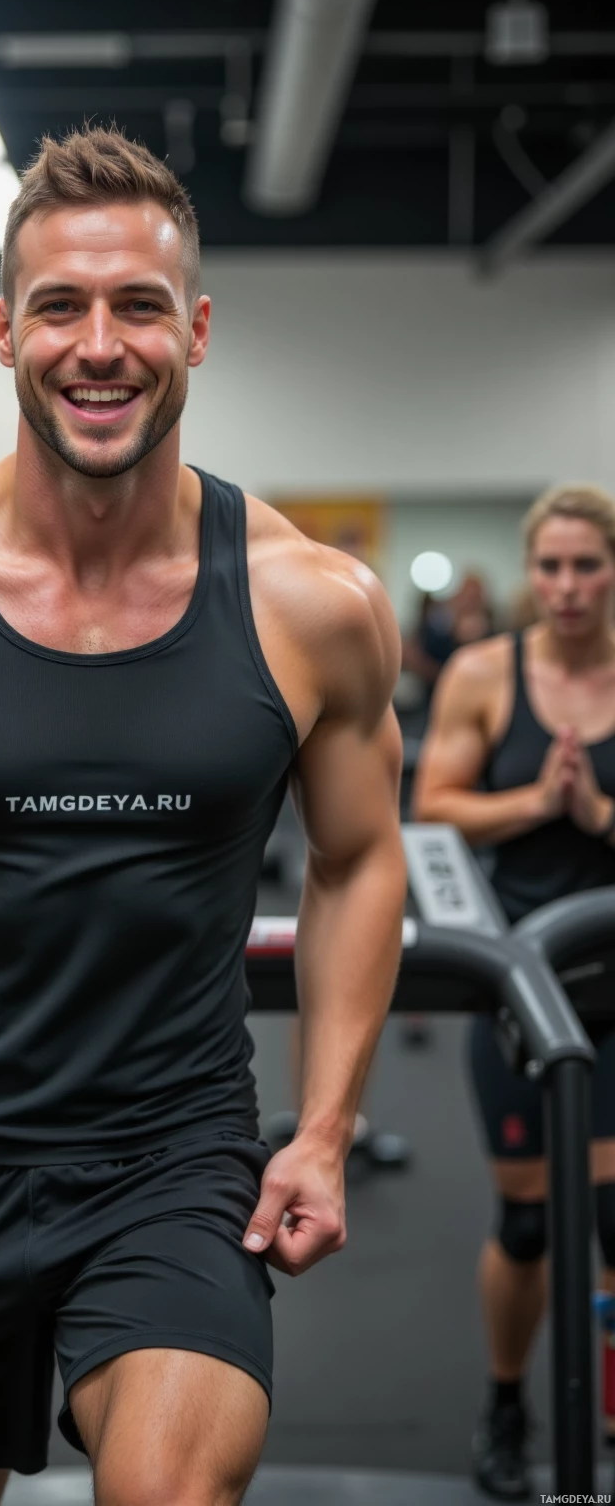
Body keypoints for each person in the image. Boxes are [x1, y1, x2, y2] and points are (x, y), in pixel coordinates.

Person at [0, 124, 407, 1506]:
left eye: (139, 306)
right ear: (4, 330)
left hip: (176, 1160)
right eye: (61, 307)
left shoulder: (313, 605)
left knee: (165, 1492)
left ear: (197, 328)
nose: (100, 345)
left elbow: (359, 860)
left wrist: (327, 1128)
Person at [413, 484, 615, 1501]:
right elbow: (431, 806)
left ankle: (610, 1418)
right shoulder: (488, 674)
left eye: (587, 565)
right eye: (550, 567)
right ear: (530, 573)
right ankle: (506, 1403)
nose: (567, 586)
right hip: (514, 980)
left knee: (614, 1216)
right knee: (528, 1222)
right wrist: (539, 801)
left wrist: (598, 810)